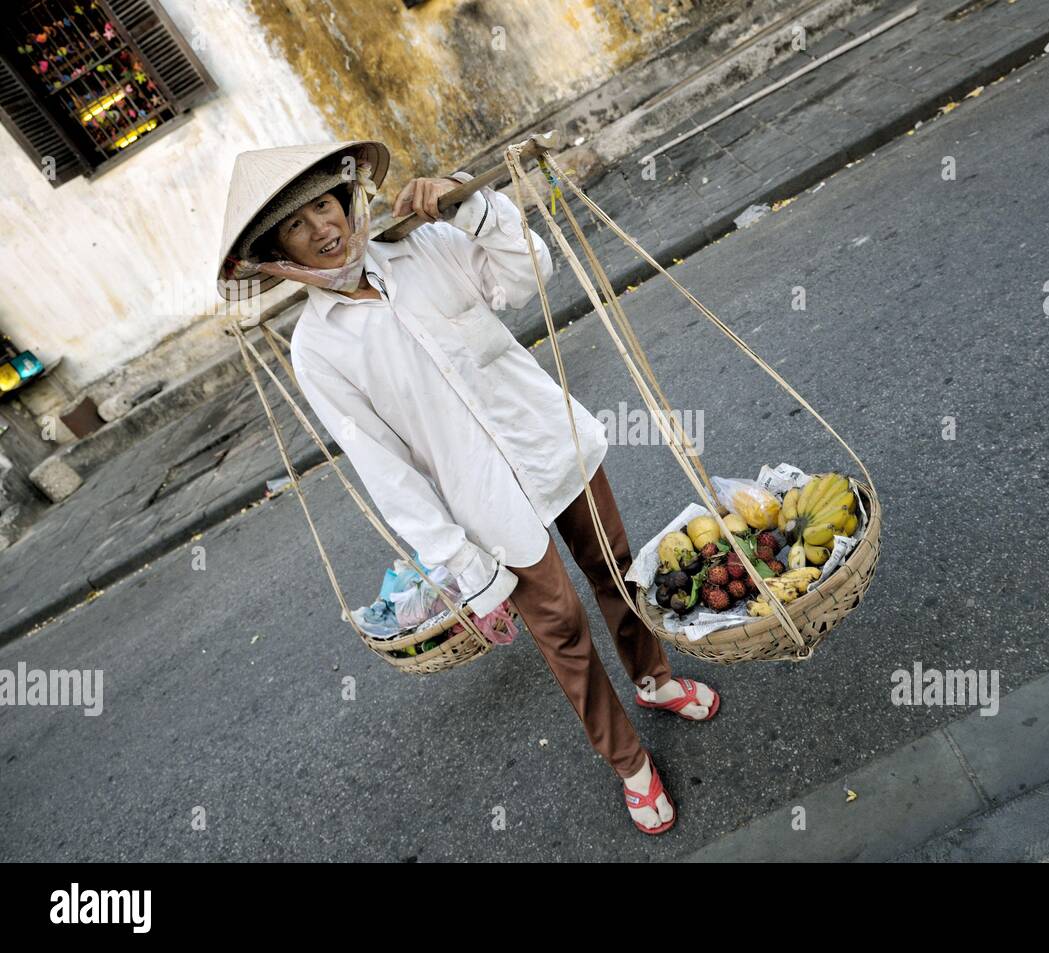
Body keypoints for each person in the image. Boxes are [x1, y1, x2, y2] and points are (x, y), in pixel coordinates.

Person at [216, 140, 719, 834]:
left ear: (346, 199)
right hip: (480, 502)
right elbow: (384, 469)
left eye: (325, 206)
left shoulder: (421, 246)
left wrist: (472, 206)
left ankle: (654, 676)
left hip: (548, 440)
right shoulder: (318, 349)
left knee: (616, 567)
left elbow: (529, 274)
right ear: (281, 253)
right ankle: (630, 762)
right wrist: (463, 566)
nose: (323, 229)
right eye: (298, 226)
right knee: (562, 630)